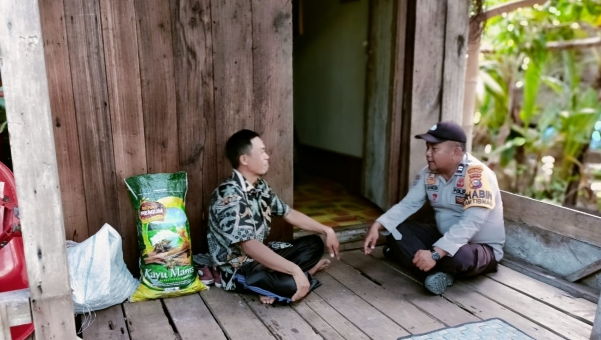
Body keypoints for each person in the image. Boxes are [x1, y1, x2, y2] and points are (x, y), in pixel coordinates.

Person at [363, 121, 505, 295]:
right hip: (443, 237)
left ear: (456, 152)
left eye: (434, 148)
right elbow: (409, 204)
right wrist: (377, 225)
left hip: (478, 247)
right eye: (427, 147)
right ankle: (435, 274)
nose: (427, 154)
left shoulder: (477, 175)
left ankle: (414, 261)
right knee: (395, 230)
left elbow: (471, 222)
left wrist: (435, 254)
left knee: (459, 256)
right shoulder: (428, 174)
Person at [207, 129, 340, 304]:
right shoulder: (229, 196)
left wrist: (327, 230)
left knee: (314, 243)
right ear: (244, 159)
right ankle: (298, 278)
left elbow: (288, 213)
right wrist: (295, 270)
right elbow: (249, 246)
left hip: (260, 258)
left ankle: (282, 282)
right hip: (239, 268)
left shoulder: (260, 186)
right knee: (292, 285)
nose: (267, 156)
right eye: (262, 152)